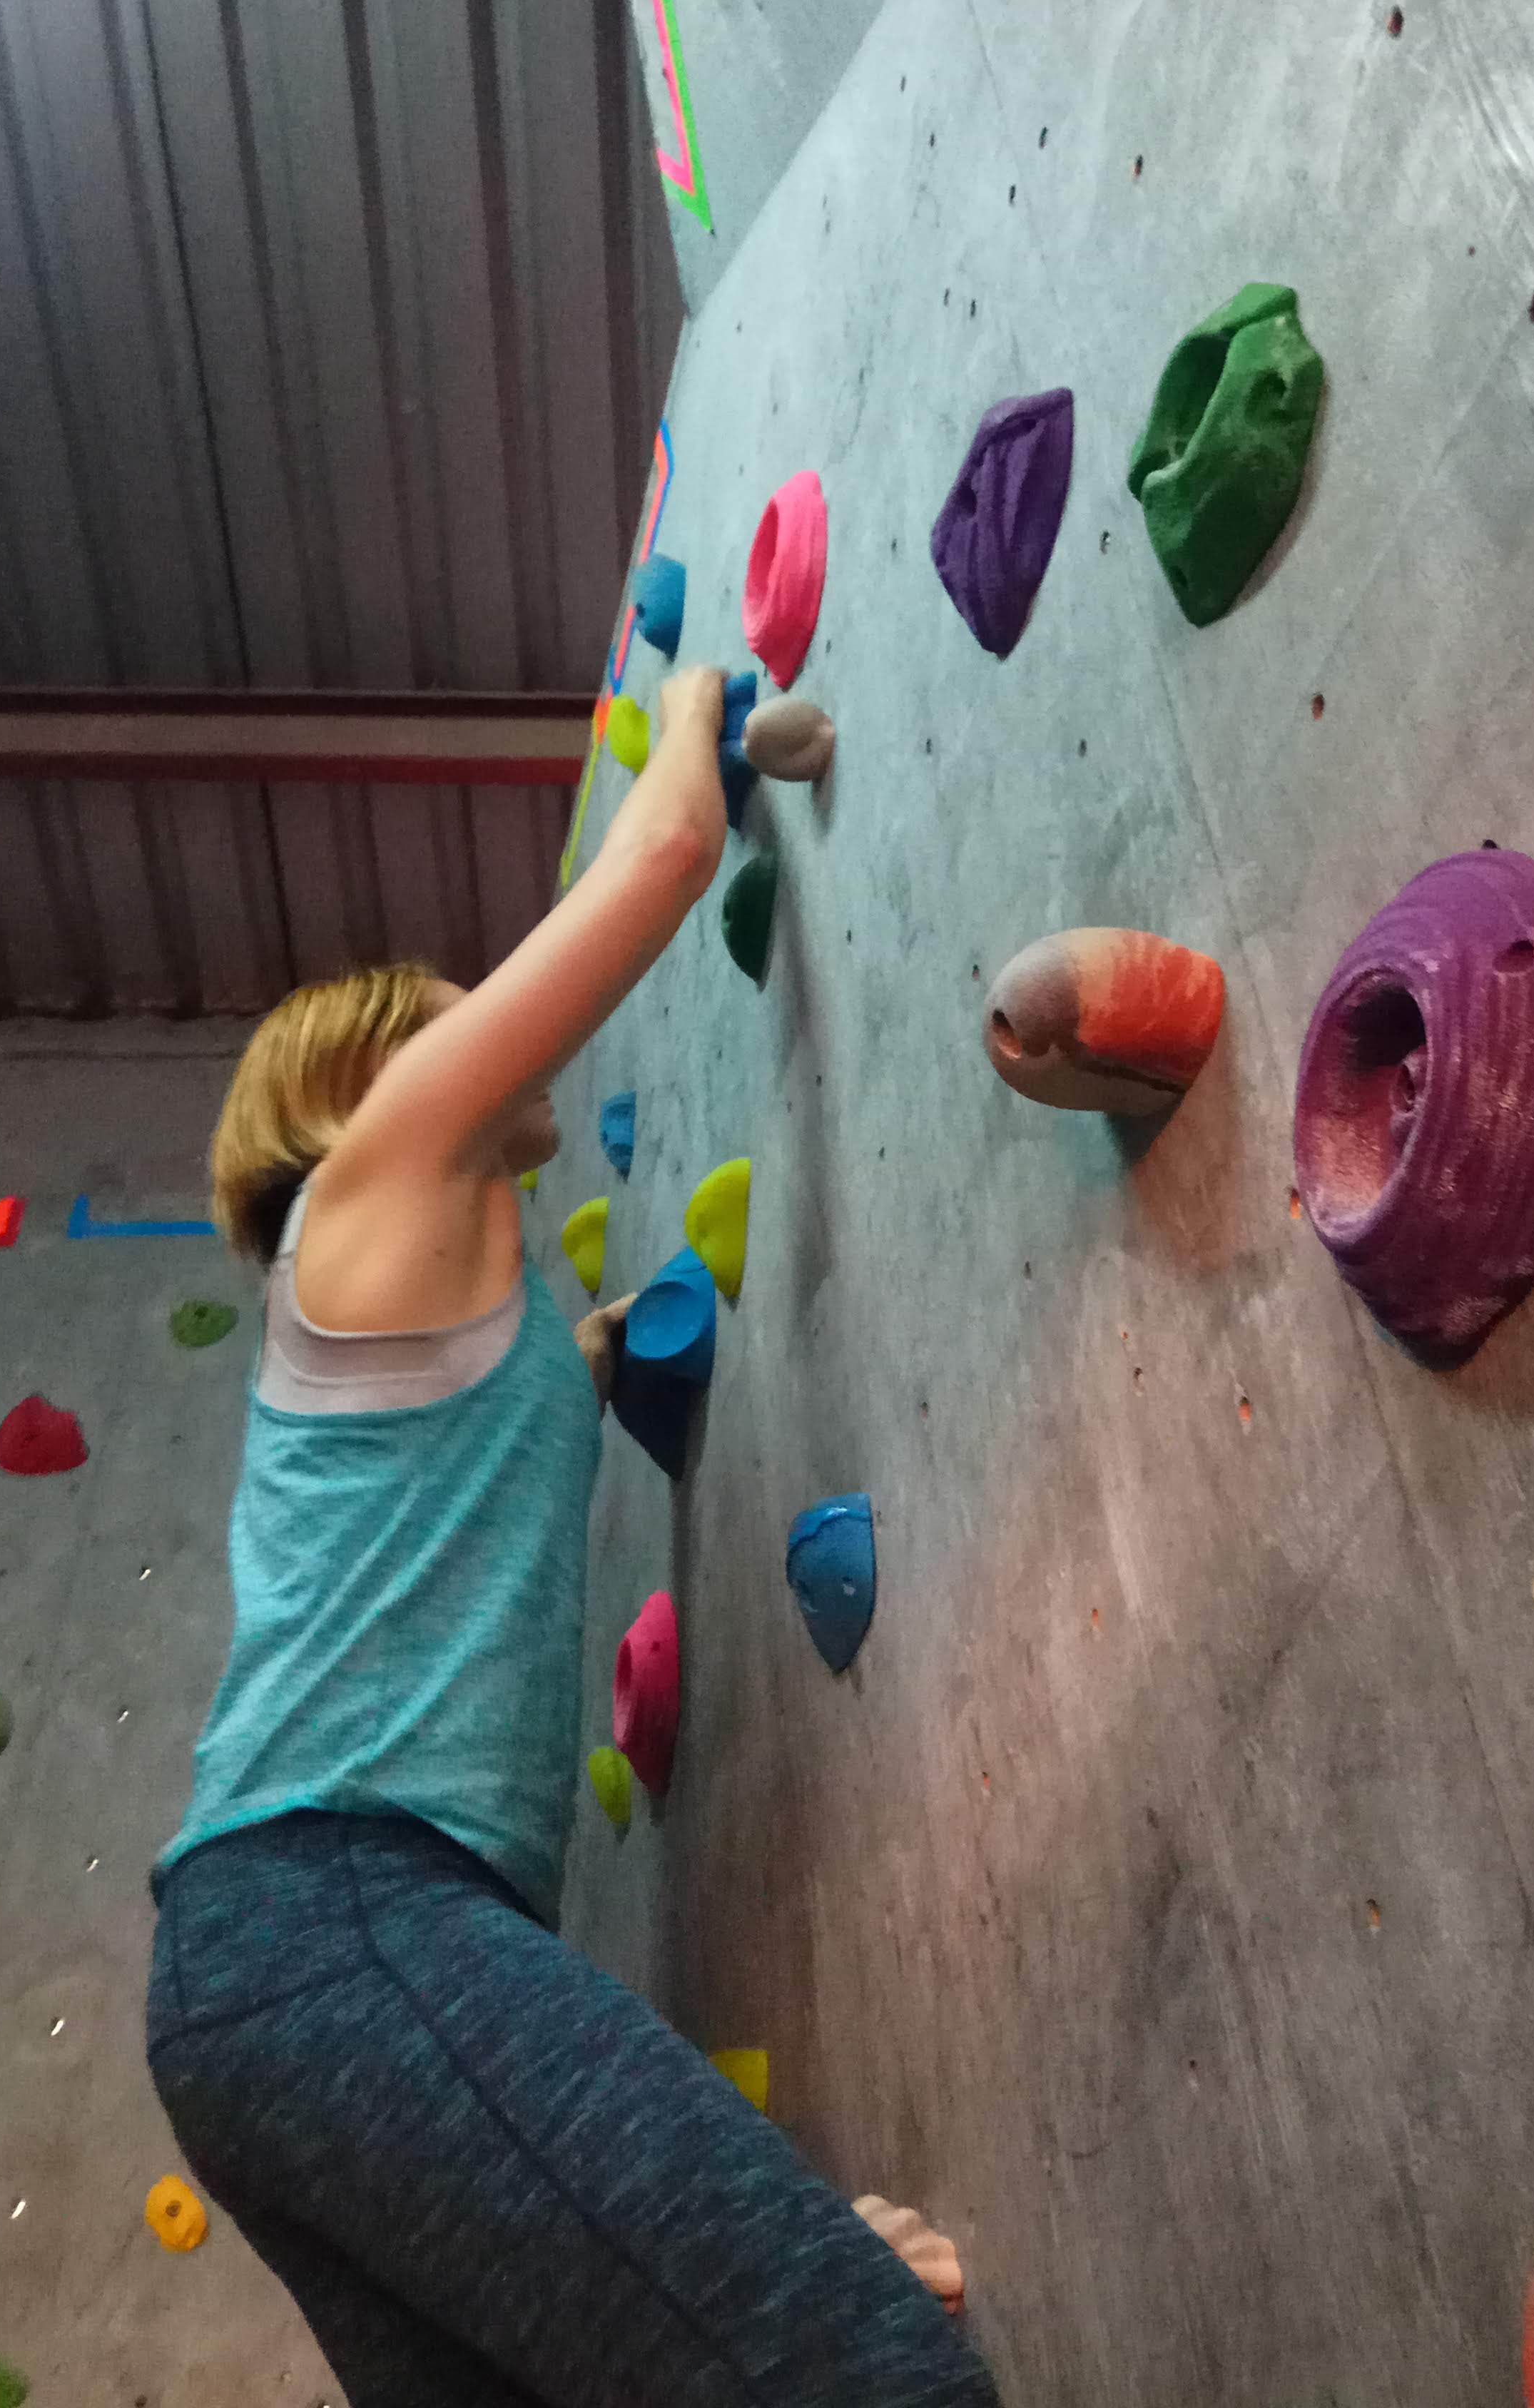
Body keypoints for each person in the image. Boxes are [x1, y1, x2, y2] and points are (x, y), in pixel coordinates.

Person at [146, 665, 999, 2407]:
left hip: (287, 1970)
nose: (491, 1008)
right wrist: (691, 708)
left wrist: (718, 2251)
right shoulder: (375, 1180)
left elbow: (527, 1403)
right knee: (881, 2381)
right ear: (375, 1074)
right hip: (346, 1912)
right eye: (449, 1011)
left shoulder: (445, 1304)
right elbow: (665, 856)